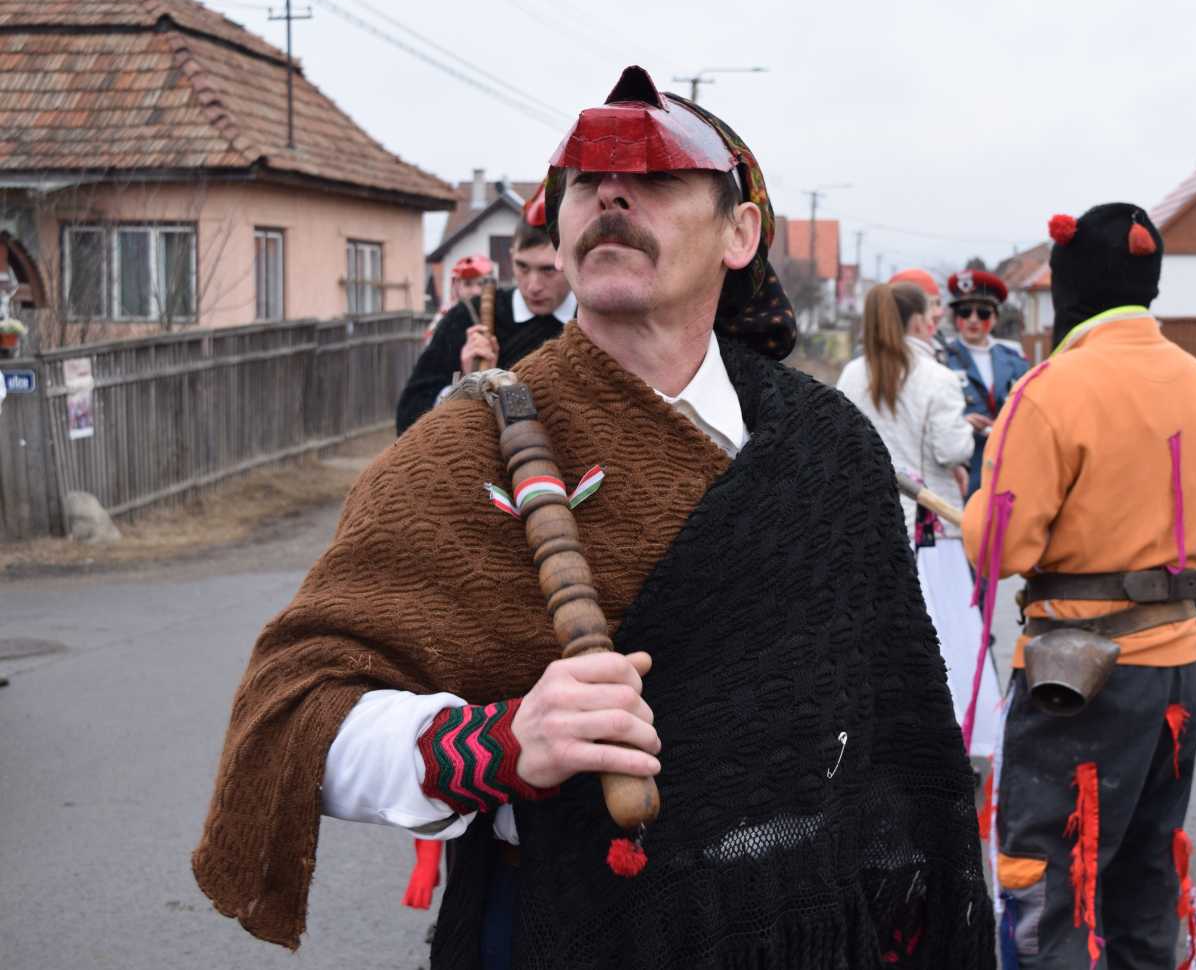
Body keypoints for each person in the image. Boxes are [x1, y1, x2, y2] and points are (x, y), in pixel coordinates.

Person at [193, 66, 992, 969]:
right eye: (584, 180)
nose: (610, 191)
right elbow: (294, 711)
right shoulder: (463, 444)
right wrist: (497, 742)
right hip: (562, 928)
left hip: (804, 927)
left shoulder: (829, 445)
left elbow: (891, 737)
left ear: (740, 233)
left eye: (656, 175)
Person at [963, 204, 1196, 970]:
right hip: (1182, 679)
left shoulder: (1051, 390)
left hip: (1077, 688)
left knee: (1048, 887)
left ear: (1067, 288)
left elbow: (998, 547)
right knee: (1144, 882)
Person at [837, 282, 1002, 757]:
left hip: (871, 526)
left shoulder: (852, 374)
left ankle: (881, 739)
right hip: (934, 530)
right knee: (948, 641)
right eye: (931, 310)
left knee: (877, 639)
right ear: (914, 320)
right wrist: (967, 440)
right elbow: (950, 449)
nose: (937, 318)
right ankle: (955, 738)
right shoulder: (937, 377)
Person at [395, 191, 575, 434]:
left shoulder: (593, 320)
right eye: (522, 266)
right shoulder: (467, 317)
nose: (533, 285)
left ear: (569, 260)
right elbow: (408, 417)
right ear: (511, 256)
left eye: (547, 270)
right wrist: (465, 386)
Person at [944, 270, 1030, 498]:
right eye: (965, 311)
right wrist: (961, 423)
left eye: (982, 312)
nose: (973, 319)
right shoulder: (941, 358)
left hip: (1007, 464)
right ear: (955, 318)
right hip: (963, 466)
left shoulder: (1014, 359)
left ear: (994, 318)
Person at [889, 267, 954, 362]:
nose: (938, 313)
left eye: (938, 303)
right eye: (930, 305)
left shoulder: (948, 353)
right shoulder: (879, 360)